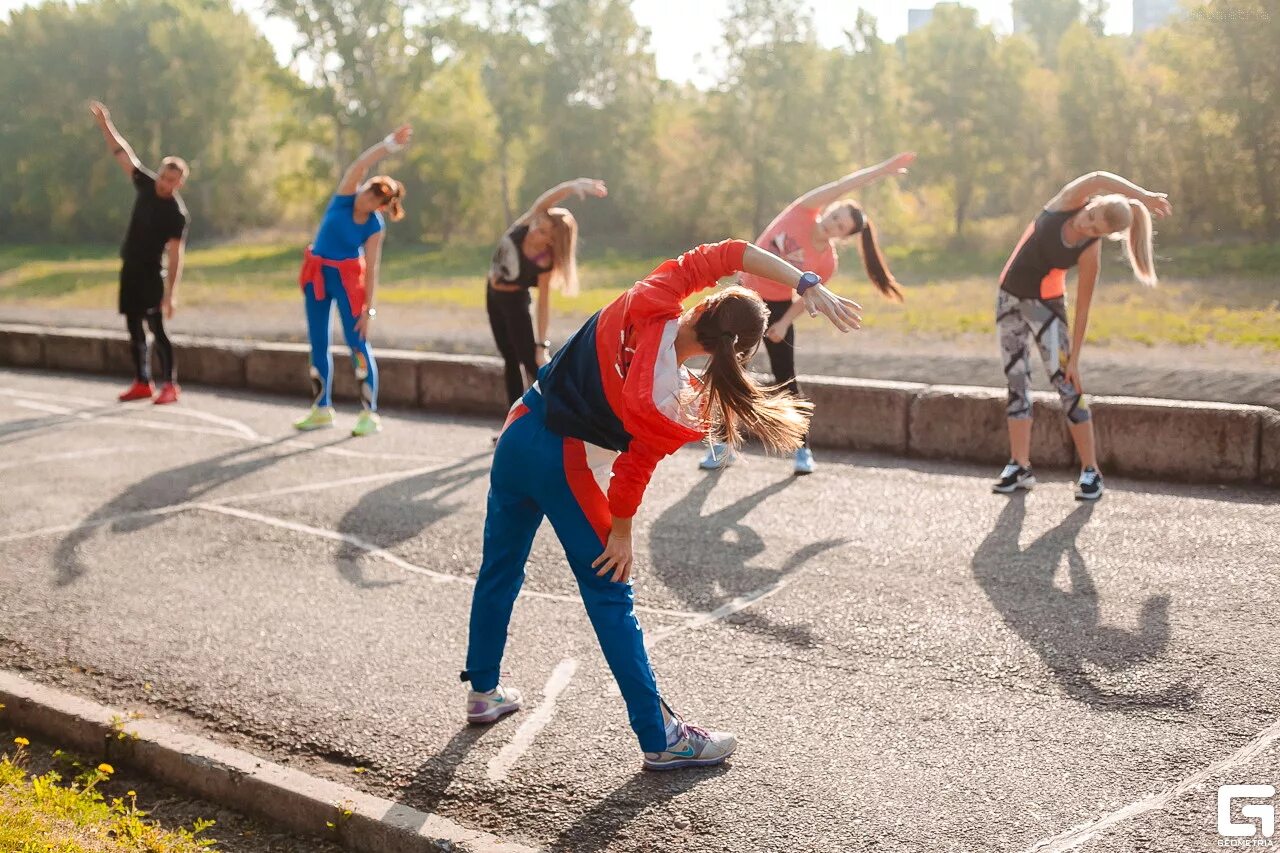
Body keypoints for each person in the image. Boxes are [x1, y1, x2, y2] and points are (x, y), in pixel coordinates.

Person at [461, 239, 862, 770]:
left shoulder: (652, 296)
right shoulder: (679, 402)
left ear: (705, 304)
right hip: (568, 464)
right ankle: (660, 737)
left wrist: (805, 282)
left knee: (501, 569)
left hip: (518, 430)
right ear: (735, 355)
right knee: (609, 595)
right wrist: (621, 531)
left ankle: (484, 691)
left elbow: (734, 252)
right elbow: (633, 470)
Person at [701, 152, 915, 474]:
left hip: (777, 307)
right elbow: (845, 184)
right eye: (835, 216)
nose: (833, 223)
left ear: (843, 236)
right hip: (742, 295)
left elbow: (807, 298)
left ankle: (802, 449)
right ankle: (723, 444)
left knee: (786, 379)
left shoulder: (826, 262)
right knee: (729, 369)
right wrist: (882, 171)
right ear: (829, 209)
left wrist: (784, 324)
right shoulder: (801, 211)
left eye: (840, 226)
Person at [992, 171, 1171, 500]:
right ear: (1094, 202)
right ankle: (1020, 466)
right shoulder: (1067, 202)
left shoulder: (1090, 249)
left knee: (1068, 384)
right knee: (1016, 382)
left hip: (1046, 310)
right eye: (1091, 218)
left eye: (1096, 230)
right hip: (1007, 301)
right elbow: (1099, 175)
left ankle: (1091, 472)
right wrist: (1144, 194)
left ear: (1105, 235)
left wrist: (1073, 358)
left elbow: (1084, 308)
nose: (1087, 227)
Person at [292, 125, 411, 437]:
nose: (366, 197)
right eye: (368, 189)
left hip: (348, 282)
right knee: (318, 341)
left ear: (380, 206)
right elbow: (359, 165)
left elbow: (372, 269)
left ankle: (368, 413)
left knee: (357, 343)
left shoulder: (374, 226)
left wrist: (368, 310)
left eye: (374, 198)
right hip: (318, 276)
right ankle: (321, 408)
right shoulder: (344, 198)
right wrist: (388, 145)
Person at [89, 101, 189, 405]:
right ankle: (142, 381)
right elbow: (122, 153)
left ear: (179, 183)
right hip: (129, 268)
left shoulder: (177, 214)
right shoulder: (146, 185)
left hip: (150, 275)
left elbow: (175, 256)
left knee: (156, 329)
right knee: (133, 326)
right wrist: (105, 123)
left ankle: (169, 385)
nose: (164, 182)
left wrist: (170, 294)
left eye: (171, 180)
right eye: (162, 176)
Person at [486, 178, 607, 406]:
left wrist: (541, 346)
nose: (534, 231)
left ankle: (559, 413)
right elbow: (549, 198)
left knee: (531, 363)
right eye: (537, 225)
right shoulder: (526, 223)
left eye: (542, 231)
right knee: (509, 359)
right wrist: (575, 186)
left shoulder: (544, 263)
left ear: (552, 241)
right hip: (492, 295)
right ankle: (512, 426)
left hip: (515, 303)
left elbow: (543, 304)